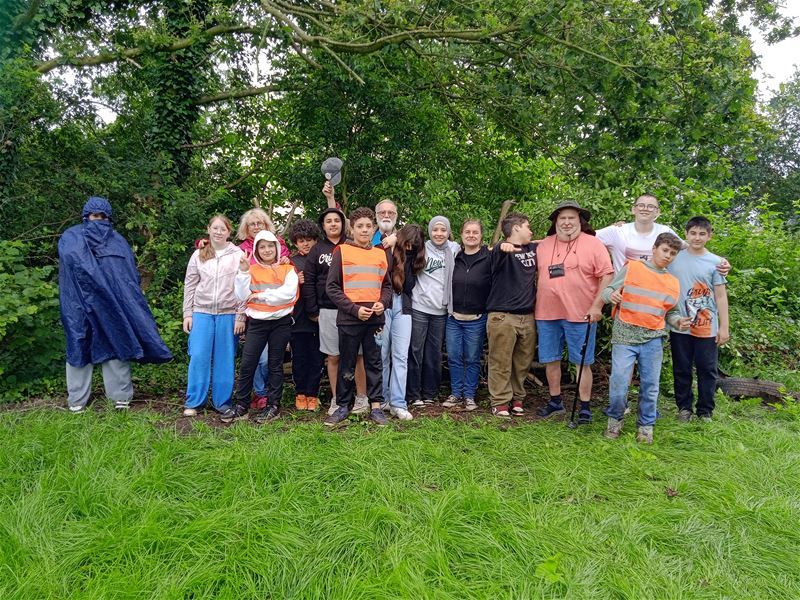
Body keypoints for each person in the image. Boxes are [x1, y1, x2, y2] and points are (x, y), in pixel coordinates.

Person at [59, 196, 172, 412]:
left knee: (116, 344)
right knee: (79, 345)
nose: (98, 220)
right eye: (94, 216)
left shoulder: (117, 241)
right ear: (86, 216)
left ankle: (120, 396)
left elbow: (127, 276)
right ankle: (77, 400)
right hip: (79, 305)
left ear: (108, 218)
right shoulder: (71, 238)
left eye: (102, 217)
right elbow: (77, 269)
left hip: (112, 306)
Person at [588, 233, 691, 443]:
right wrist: (612, 296)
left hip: (653, 338)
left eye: (673, 253)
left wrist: (678, 322)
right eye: (665, 250)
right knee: (618, 383)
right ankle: (614, 422)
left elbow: (672, 313)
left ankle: (645, 427)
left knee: (650, 386)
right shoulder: (633, 268)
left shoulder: (672, 282)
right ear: (654, 249)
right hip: (625, 335)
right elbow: (607, 291)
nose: (668, 256)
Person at [535, 201, 614, 424]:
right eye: (562, 218)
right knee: (551, 359)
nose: (567, 222)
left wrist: (597, 305)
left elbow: (607, 275)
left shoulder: (593, 244)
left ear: (580, 221)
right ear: (555, 222)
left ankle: (585, 407)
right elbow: (522, 245)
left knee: (582, 362)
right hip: (546, 312)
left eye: (572, 218)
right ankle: (555, 402)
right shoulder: (544, 245)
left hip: (582, 314)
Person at [324, 207, 392, 427]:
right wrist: (353, 309)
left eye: (368, 226)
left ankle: (376, 407)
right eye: (359, 226)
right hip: (350, 319)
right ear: (351, 229)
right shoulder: (342, 251)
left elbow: (387, 287)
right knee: (347, 363)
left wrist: (383, 303)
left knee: (374, 363)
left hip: (375, 320)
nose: (364, 230)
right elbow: (332, 288)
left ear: (373, 229)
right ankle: (343, 406)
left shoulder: (380, 253)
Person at [222, 231, 299, 423]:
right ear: (256, 249)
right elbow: (241, 295)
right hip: (256, 323)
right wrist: (243, 271)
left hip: (280, 322)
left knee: (275, 365)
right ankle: (242, 405)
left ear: (277, 247)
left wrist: (260, 296)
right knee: (248, 363)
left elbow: (288, 293)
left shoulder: (288, 269)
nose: (267, 250)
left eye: (270, 246)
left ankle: (273, 406)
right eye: (262, 246)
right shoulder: (251, 270)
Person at [302, 206, 370, 414]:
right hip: (328, 310)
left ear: (344, 224)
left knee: (358, 355)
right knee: (334, 356)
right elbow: (310, 280)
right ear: (323, 226)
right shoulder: (317, 250)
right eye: (328, 221)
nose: (333, 224)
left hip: (353, 309)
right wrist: (313, 309)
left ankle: (361, 398)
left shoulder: (353, 246)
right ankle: (336, 399)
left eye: (337, 220)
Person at [667, 216, 730, 422]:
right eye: (693, 233)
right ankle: (684, 408)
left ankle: (705, 411)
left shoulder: (716, 262)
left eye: (702, 234)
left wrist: (724, 327)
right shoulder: (675, 257)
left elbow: (720, 296)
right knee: (681, 368)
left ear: (709, 236)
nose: (697, 237)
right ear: (685, 234)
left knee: (707, 369)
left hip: (706, 326)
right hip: (680, 325)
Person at [182, 215, 246, 416]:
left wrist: (240, 315)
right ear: (209, 229)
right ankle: (194, 401)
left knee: (225, 358)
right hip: (201, 312)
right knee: (199, 356)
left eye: (223, 229)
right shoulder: (198, 254)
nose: (219, 232)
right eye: (215, 228)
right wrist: (187, 314)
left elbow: (244, 285)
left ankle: (222, 402)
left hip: (228, 314)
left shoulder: (238, 254)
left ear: (229, 232)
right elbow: (190, 285)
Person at [596, 193, 730, 275]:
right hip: (624, 295)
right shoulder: (616, 231)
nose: (645, 209)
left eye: (651, 207)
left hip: (657, 294)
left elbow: (690, 248)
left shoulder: (665, 231)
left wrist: (719, 260)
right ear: (633, 209)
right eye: (641, 205)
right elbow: (586, 237)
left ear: (657, 212)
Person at [485, 213, 538, 417]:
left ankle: (517, 398)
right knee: (500, 361)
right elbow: (497, 251)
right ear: (515, 228)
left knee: (522, 362)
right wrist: (502, 246)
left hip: (527, 316)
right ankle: (499, 401)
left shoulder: (533, 248)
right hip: (502, 316)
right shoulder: (499, 251)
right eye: (527, 226)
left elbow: (552, 239)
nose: (530, 231)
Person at [406, 216, 460, 407]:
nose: (439, 233)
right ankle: (413, 394)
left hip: (442, 309)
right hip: (420, 306)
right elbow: (401, 239)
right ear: (430, 231)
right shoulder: (422, 247)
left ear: (448, 232)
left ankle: (430, 393)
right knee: (415, 350)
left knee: (434, 353)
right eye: (435, 230)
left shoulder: (455, 249)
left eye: (443, 230)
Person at [443, 219, 491, 411]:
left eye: (475, 232)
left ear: (481, 236)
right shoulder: (455, 256)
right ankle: (456, 393)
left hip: (477, 319)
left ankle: (469, 396)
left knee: (472, 358)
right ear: (461, 235)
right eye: (467, 232)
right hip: (454, 317)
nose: (471, 235)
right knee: (454, 357)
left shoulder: (488, 257)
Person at [381, 224, 426, 421]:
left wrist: (406, 261)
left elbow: (408, 286)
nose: (409, 249)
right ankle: (381, 400)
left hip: (404, 307)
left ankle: (398, 403)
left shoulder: (414, 259)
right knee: (381, 355)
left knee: (400, 357)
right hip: (383, 306)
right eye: (406, 244)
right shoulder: (386, 251)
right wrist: (393, 244)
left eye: (413, 246)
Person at [288, 219, 324, 411]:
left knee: (317, 358)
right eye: (301, 240)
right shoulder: (291, 262)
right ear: (295, 242)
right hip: (298, 320)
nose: (306, 244)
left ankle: (313, 394)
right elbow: (283, 291)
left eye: (309, 239)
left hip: (318, 319)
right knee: (299, 358)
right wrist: (295, 282)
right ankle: (300, 393)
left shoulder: (321, 258)